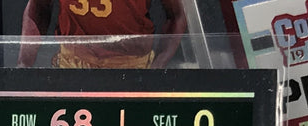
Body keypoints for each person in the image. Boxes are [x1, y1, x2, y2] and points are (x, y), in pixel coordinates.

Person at [17, 0, 186, 69]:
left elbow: (177, 16)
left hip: (132, 66)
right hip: (73, 63)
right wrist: (24, 64)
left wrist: (158, 67)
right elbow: (38, 8)